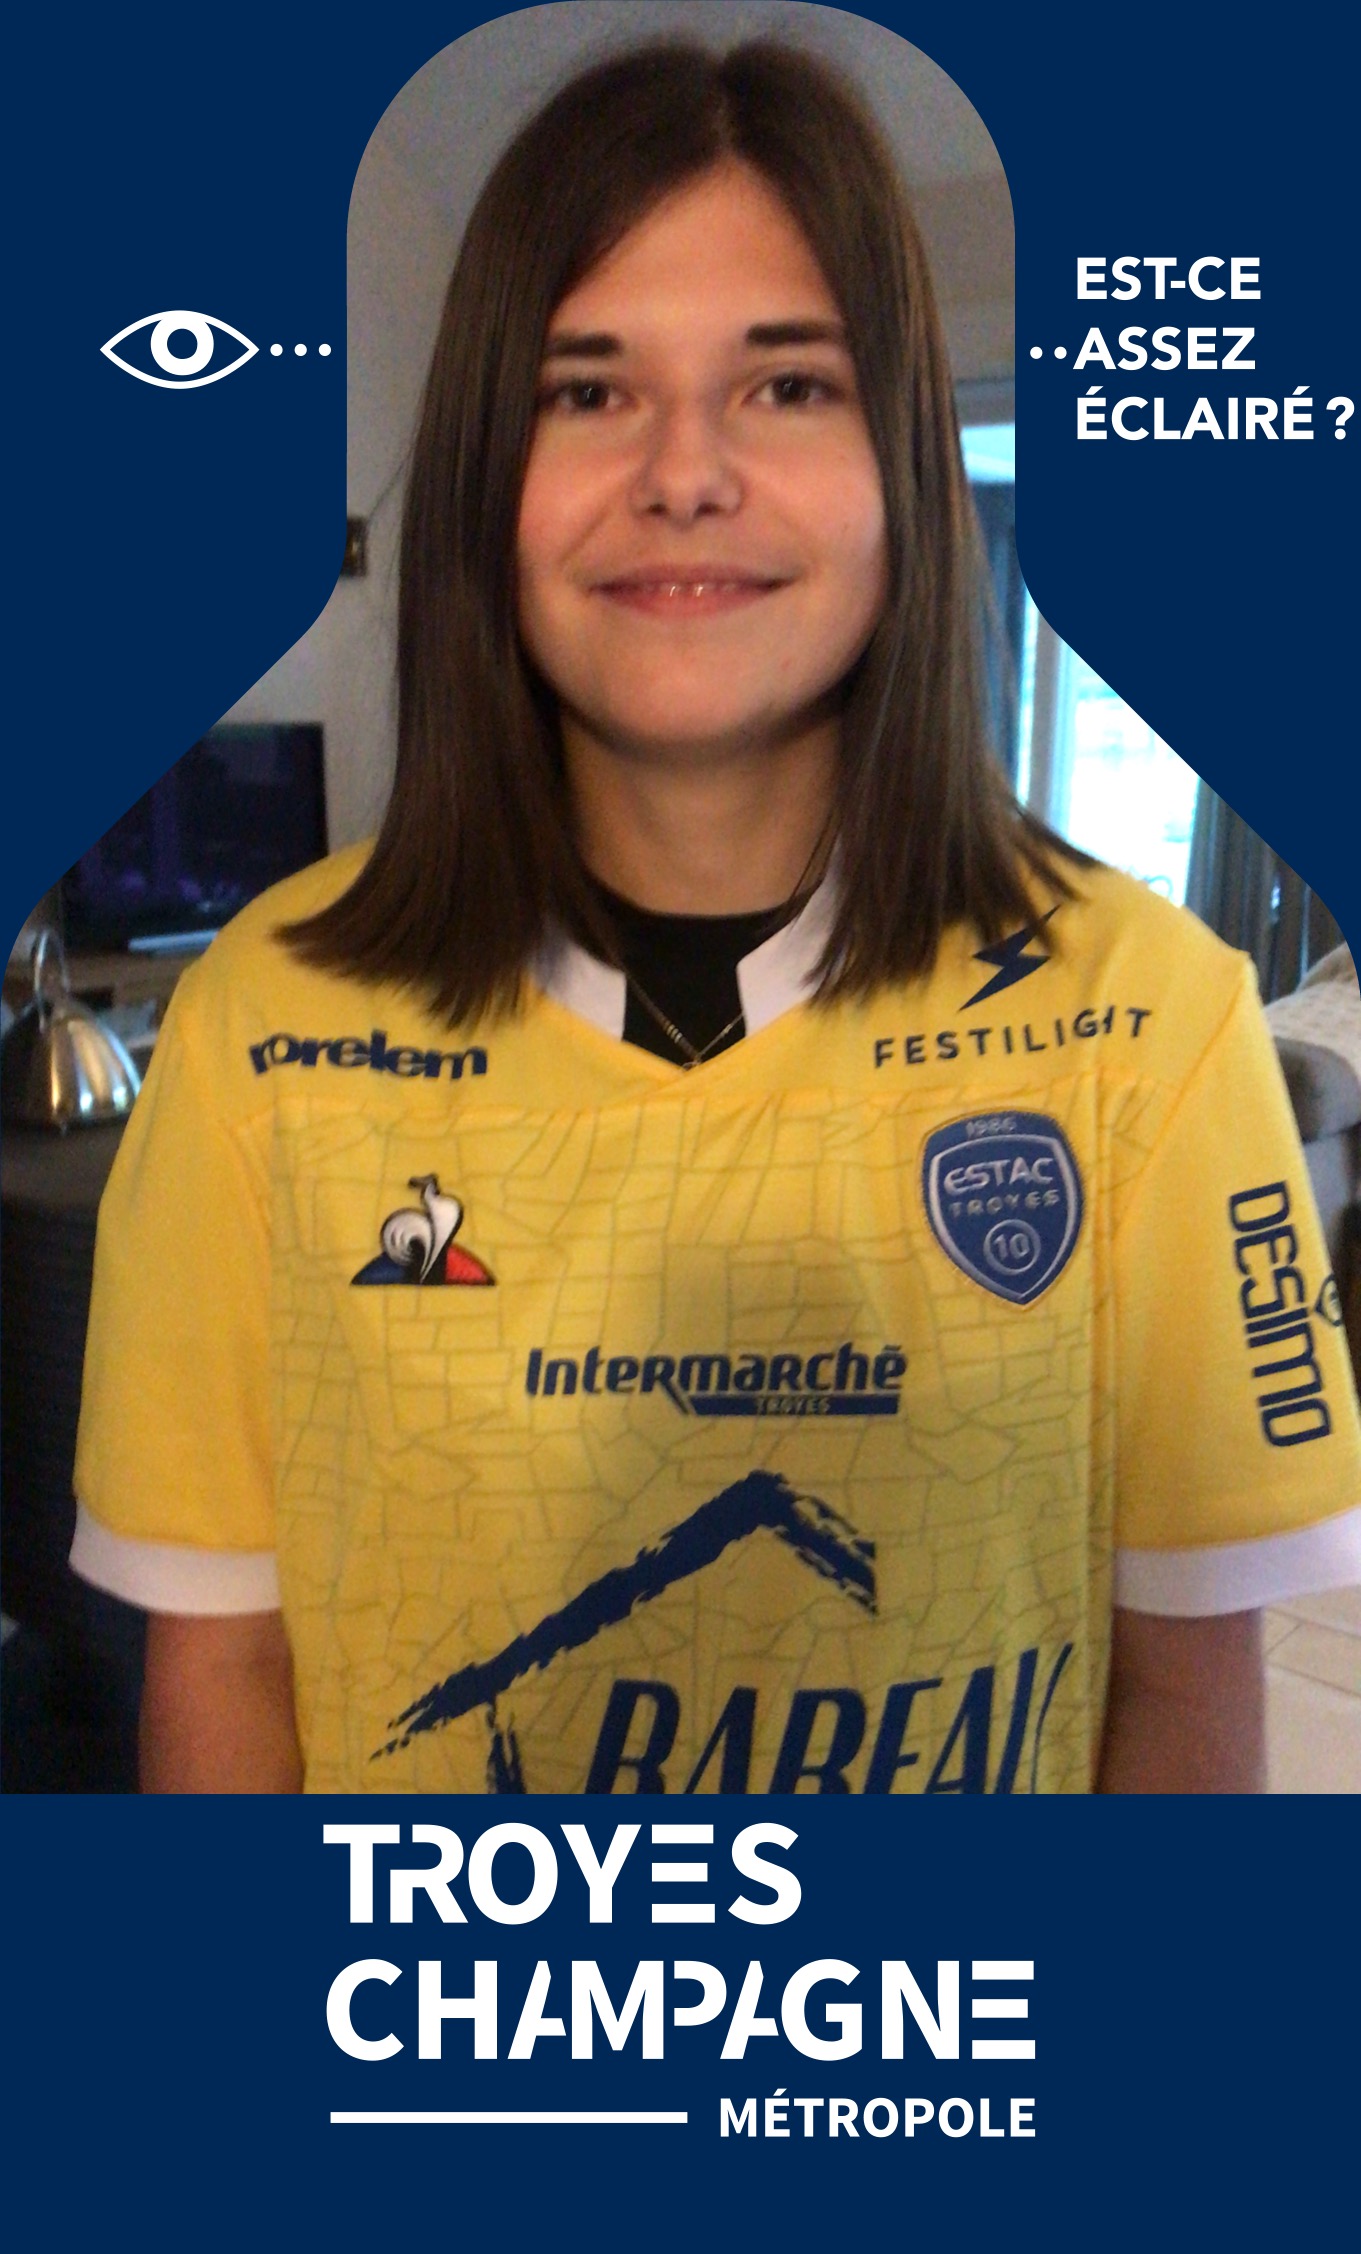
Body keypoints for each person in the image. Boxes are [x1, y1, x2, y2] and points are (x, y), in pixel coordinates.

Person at [72, 40, 1361, 1794]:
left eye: (787, 383)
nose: (683, 471)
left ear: (904, 469)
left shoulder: (1149, 1019)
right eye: (586, 389)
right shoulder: (261, 1025)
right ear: (484, 476)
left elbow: (1187, 1700)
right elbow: (225, 1680)